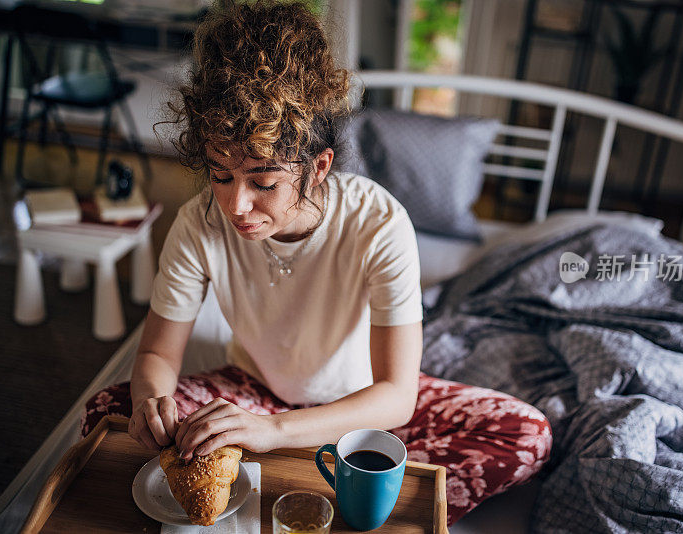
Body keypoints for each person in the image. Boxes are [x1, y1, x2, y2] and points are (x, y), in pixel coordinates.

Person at [83, 0, 551, 524]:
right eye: (219, 175)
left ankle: (303, 478)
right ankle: (328, 488)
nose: (236, 205)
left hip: (359, 410)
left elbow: (396, 397)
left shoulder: (378, 222)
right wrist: (153, 400)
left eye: (263, 182)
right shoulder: (199, 224)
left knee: (527, 434)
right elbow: (157, 358)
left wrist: (275, 434)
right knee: (110, 411)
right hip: (254, 393)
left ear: (318, 166)